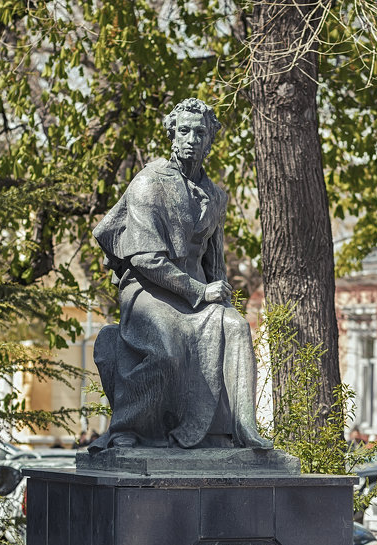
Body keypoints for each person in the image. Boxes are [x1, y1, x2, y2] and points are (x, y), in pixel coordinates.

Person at [89, 98, 272, 452]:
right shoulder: (149, 182)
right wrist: (201, 293)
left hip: (194, 293)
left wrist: (220, 297)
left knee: (235, 326)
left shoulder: (216, 196)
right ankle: (131, 428)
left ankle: (241, 428)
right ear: (172, 134)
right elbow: (145, 258)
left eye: (200, 132)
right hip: (147, 289)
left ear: (210, 140)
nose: (191, 139)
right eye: (184, 131)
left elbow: (213, 263)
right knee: (166, 349)